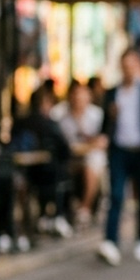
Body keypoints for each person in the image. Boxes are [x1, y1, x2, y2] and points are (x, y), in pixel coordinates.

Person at [98, 50, 140, 266]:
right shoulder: (112, 92)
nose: (128, 69)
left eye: (132, 64)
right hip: (119, 150)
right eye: (124, 65)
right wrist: (106, 132)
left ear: (137, 66)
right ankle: (110, 241)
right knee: (116, 195)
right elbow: (105, 123)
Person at [11, 85, 74, 237]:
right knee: (65, 177)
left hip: (26, 173)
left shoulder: (20, 122)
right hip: (47, 174)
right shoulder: (50, 124)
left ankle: (45, 217)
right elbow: (65, 149)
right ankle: (56, 216)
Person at [58, 80, 107, 227]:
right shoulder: (62, 116)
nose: (78, 100)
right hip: (70, 157)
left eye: (82, 96)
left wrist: (91, 144)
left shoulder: (97, 115)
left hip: (92, 156)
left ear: (89, 97)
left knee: (91, 164)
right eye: (76, 96)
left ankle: (85, 208)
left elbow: (102, 140)